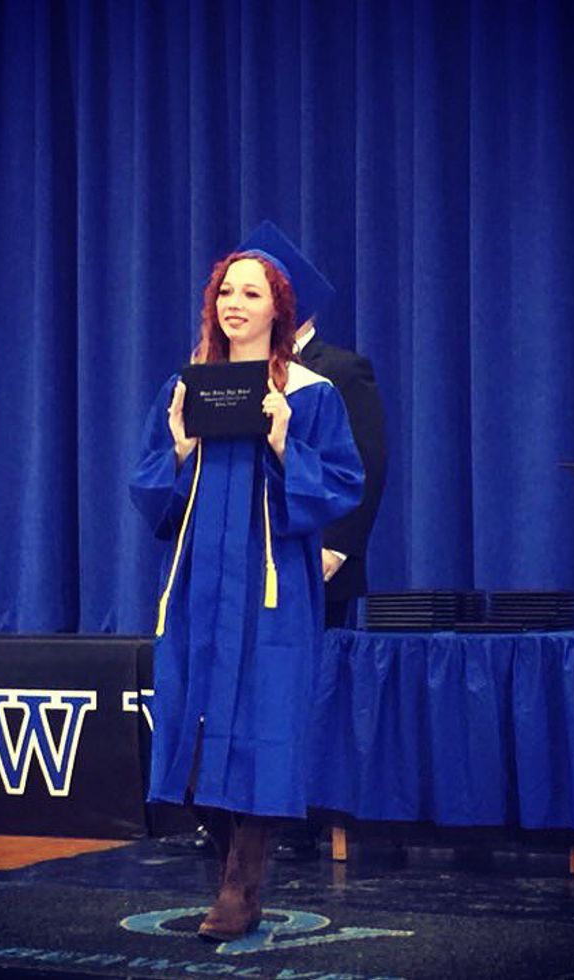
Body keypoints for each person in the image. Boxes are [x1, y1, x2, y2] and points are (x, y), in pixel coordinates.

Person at [130, 247, 364, 940]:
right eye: (226, 292)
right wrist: (178, 447)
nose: (234, 304)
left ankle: (241, 883)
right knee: (196, 721)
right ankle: (231, 866)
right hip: (200, 581)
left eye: (251, 294)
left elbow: (342, 485)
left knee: (265, 719)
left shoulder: (311, 393)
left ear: (278, 310)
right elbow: (150, 487)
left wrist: (287, 443)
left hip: (270, 587)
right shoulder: (186, 388)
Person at [237, 222, 389, 861]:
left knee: (304, 686)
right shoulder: (231, 368)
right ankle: (244, 811)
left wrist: (337, 546)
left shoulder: (339, 370)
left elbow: (365, 462)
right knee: (249, 681)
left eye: (259, 291)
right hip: (252, 554)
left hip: (313, 557)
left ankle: (298, 812)